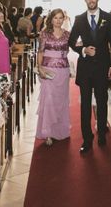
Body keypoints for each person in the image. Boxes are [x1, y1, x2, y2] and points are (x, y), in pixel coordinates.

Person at [68, 0, 111, 153]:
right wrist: (83, 50)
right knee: (85, 105)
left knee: (102, 102)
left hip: (103, 67)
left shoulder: (107, 18)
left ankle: (102, 135)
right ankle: (87, 140)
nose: (91, 0)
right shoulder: (79, 19)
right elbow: (71, 41)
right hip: (85, 69)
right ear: (85, 0)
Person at [36, 9, 71, 145]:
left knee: (61, 101)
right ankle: (48, 133)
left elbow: (69, 50)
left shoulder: (68, 34)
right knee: (49, 100)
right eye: (55, 18)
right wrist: (39, 68)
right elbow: (40, 51)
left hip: (63, 70)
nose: (58, 20)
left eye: (60, 18)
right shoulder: (44, 34)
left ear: (64, 19)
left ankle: (60, 130)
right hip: (48, 70)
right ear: (51, 19)